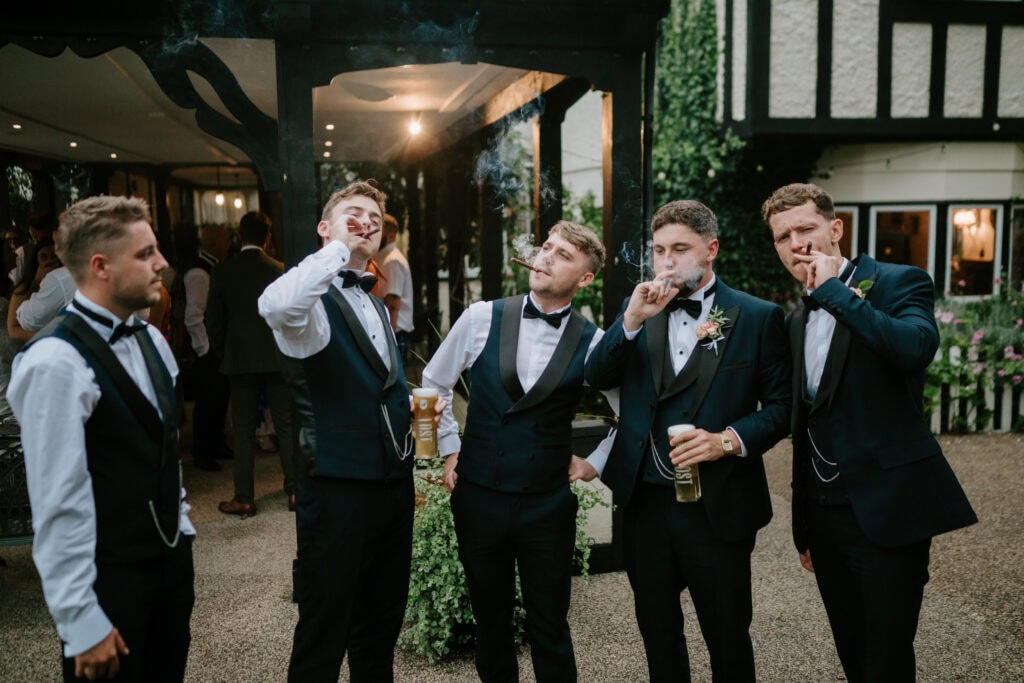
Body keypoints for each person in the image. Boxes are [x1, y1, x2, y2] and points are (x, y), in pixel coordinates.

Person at [761, 182, 977, 682]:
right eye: (782, 236)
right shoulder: (796, 319)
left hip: (889, 510)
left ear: (835, 229)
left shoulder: (902, 281)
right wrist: (805, 525)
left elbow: (914, 348)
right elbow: (806, 419)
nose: (796, 243)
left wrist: (836, 292)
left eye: (806, 229)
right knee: (853, 653)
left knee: (888, 658)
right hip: (825, 516)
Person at [585, 200, 791, 682]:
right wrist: (630, 322)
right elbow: (596, 376)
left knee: (727, 637)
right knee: (658, 635)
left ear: (711, 249)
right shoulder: (639, 310)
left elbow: (783, 410)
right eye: (659, 251)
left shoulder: (758, 317)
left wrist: (727, 440)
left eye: (680, 249)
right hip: (646, 504)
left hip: (718, 507)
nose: (667, 262)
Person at [7, 195, 195, 682]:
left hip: (168, 571)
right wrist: (80, 620)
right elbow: (55, 502)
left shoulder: (152, 338)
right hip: (108, 583)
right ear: (100, 266)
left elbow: (162, 452)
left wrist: (182, 535)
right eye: (145, 253)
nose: (163, 264)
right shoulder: (53, 362)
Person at [259, 180, 441, 682]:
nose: (366, 223)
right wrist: (339, 250)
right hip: (336, 487)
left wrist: (410, 409)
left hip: (390, 486)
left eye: (374, 219)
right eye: (352, 214)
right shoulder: (310, 307)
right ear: (324, 228)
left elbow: (372, 388)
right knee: (324, 629)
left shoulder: (378, 303)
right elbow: (274, 306)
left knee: (380, 627)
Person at [422, 220, 613, 682]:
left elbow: (633, 413)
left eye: (563, 255)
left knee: (550, 625)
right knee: (492, 625)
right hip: (479, 497)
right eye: (546, 247)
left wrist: (594, 462)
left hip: (547, 505)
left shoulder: (595, 341)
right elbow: (433, 384)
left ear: (585, 278)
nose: (546, 257)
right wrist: (449, 449)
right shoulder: (482, 316)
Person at [206, 211, 297, 515]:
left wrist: (224, 352)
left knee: (243, 430)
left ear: (239, 237)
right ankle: (295, 492)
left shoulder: (223, 271)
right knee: (286, 425)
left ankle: (244, 497)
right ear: (268, 238)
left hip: (239, 358)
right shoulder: (280, 270)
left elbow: (214, 321)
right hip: (276, 354)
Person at [183, 224, 231, 471]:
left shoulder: (214, 267)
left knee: (220, 398)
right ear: (212, 243)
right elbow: (193, 315)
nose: (229, 244)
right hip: (207, 349)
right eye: (225, 240)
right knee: (207, 402)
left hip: (216, 347)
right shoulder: (199, 274)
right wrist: (205, 349)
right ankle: (203, 452)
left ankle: (216, 443)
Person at [10, 236, 76, 341]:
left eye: (54, 256)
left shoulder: (63, 280)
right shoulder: (24, 287)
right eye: (44, 257)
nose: (49, 261)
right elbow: (13, 330)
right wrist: (35, 283)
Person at [375, 213, 415, 360]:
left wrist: (389, 339)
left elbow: (392, 305)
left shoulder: (392, 261)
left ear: (390, 236)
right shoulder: (385, 258)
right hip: (394, 334)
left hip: (395, 335)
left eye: (379, 232)